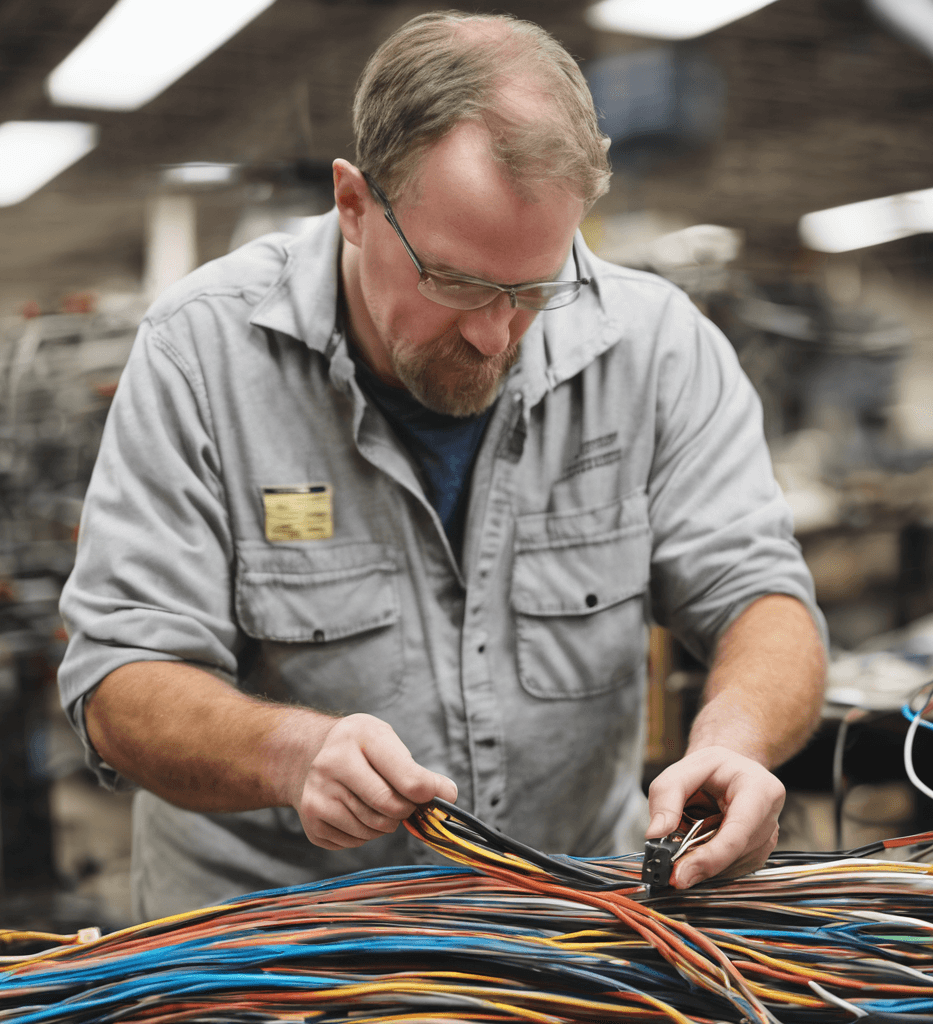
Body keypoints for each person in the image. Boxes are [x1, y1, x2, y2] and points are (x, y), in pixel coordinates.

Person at [57, 10, 827, 921]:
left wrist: (734, 741)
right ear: (353, 204)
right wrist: (291, 754)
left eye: (538, 287)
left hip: (565, 931)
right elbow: (122, 680)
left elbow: (762, 595)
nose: (496, 333)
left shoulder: (657, 347)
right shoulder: (201, 354)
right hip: (277, 946)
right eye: (457, 281)